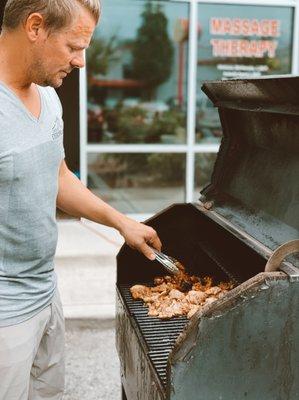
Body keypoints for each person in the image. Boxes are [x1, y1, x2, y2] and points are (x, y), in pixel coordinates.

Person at [0, 1, 162, 399]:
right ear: (35, 27)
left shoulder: (48, 98)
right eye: (74, 47)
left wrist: (122, 222)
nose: (81, 61)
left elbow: (57, 177)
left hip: (45, 291)